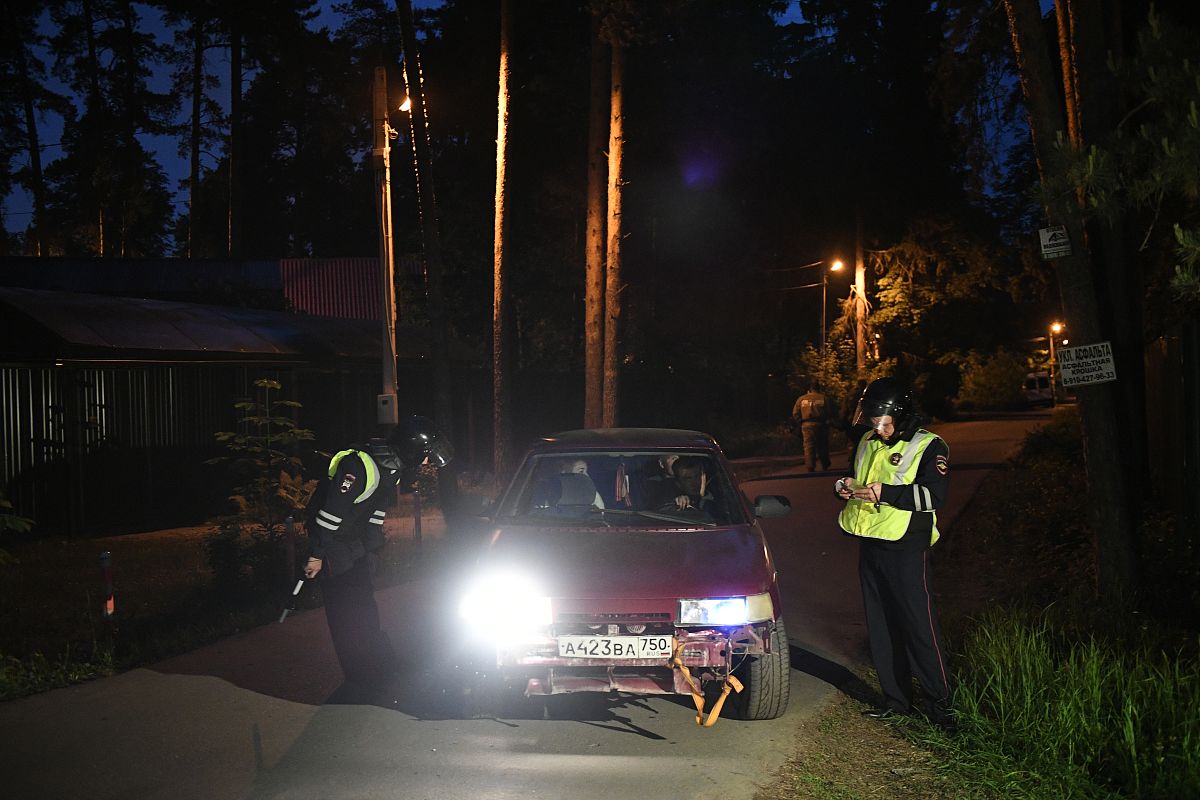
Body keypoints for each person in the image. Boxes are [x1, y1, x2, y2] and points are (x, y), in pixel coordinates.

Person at [834, 377, 954, 730]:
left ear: (901, 417)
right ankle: (897, 701)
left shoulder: (930, 446)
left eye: (885, 423)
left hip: (906, 546)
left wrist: (884, 493)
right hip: (870, 542)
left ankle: (942, 709)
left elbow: (934, 497)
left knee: (919, 626)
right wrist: (843, 487)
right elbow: (857, 478)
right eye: (874, 422)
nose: (879, 429)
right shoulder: (867, 441)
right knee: (882, 626)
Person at [303, 414, 452, 686]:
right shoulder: (358, 465)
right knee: (344, 611)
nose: (428, 462)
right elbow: (330, 515)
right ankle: (357, 674)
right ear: (412, 449)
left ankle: (380, 664)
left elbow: (375, 512)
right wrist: (316, 555)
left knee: (364, 605)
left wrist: (372, 550)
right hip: (333, 543)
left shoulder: (390, 469)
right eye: (426, 456)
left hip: (354, 542)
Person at [792, 383, 832, 472]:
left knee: (809, 445)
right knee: (823, 444)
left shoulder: (801, 399)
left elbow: (795, 413)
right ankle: (825, 464)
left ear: (810, 388)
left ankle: (810, 465)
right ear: (819, 388)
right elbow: (830, 411)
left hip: (807, 424)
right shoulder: (824, 398)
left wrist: (801, 422)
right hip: (821, 424)